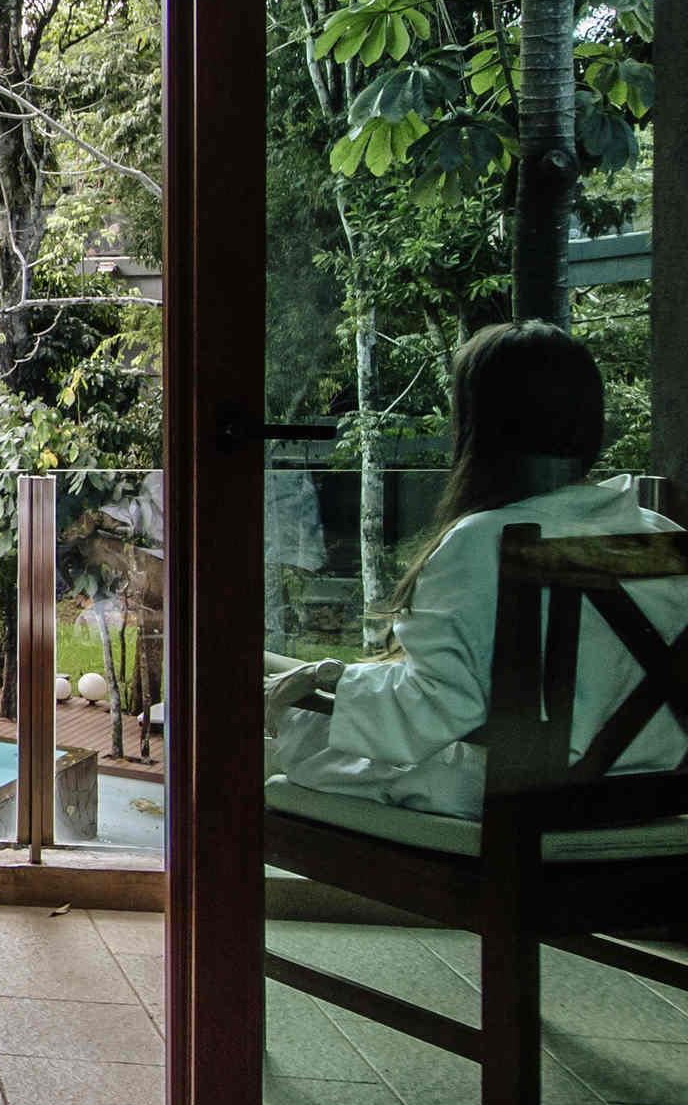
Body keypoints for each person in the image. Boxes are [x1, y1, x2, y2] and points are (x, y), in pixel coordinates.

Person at [266, 321, 688, 817]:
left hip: (509, 801)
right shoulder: (662, 536)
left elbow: (434, 709)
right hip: (646, 801)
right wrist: (328, 674)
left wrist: (325, 679)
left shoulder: (482, 539)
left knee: (287, 737)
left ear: (479, 427)